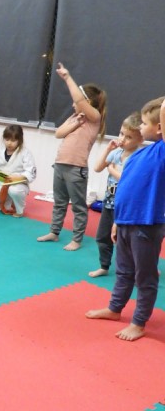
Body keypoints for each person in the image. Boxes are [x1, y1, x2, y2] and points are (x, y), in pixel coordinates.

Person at [86, 97, 165, 341]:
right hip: (125, 222)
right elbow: (126, 190)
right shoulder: (142, 154)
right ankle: (115, 308)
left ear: (159, 127)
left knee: (145, 276)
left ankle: (139, 323)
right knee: (123, 271)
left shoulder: (161, 151)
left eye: (144, 123)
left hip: (146, 225)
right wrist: (117, 221)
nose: (140, 127)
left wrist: (162, 107)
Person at [37, 62, 107, 251]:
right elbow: (58, 133)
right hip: (60, 164)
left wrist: (67, 77)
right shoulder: (75, 117)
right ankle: (54, 232)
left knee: (78, 206)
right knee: (59, 202)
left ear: (87, 102)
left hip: (76, 169)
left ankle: (77, 239)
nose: (72, 104)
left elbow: (79, 99)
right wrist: (75, 123)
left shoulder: (94, 118)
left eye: (76, 102)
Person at [88, 113, 143, 278]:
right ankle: (104, 266)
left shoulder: (138, 157)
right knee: (103, 236)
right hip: (109, 204)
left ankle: (141, 268)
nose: (123, 139)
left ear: (140, 139)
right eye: (121, 134)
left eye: (129, 137)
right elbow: (97, 168)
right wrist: (108, 149)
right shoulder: (116, 153)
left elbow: (129, 180)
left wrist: (111, 170)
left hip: (127, 207)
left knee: (127, 241)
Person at [0, 124, 36, 217]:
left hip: (17, 186)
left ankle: (19, 209)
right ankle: (6, 204)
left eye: (13, 140)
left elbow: (31, 173)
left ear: (20, 140)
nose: (9, 143)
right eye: (7, 139)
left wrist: (18, 177)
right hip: (1, 186)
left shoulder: (25, 153)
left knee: (14, 190)